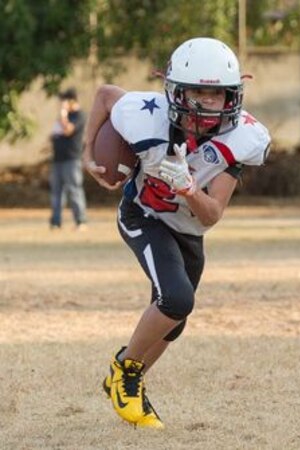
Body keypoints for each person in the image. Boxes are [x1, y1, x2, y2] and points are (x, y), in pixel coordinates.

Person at [81, 37, 271, 428]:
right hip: (143, 215)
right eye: (197, 92)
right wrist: (87, 152)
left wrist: (189, 189)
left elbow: (212, 214)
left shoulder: (241, 138)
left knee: (176, 317)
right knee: (177, 298)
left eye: (217, 94)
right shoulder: (145, 115)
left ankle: (126, 378)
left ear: (233, 95)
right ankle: (125, 372)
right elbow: (105, 96)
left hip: (189, 229)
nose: (207, 103)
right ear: (176, 92)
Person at [49, 87, 88, 230]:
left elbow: (68, 130)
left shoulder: (79, 115)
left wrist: (63, 114)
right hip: (58, 159)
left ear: (71, 101)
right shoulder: (64, 116)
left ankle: (81, 221)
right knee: (56, 192)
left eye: (64, 101)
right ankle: (56, 222)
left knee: (74, 190)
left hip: (71, 159)